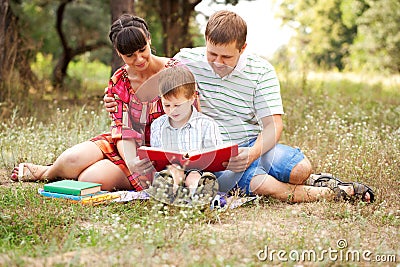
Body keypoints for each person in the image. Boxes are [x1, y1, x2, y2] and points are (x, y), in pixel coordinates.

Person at [104, 10, 374, 203]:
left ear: (243, 48)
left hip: (249, 144)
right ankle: (330, 193)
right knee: (264, 185)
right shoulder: (188, 59)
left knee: (300, 169)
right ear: (205, 42)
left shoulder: (261, 71)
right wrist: (114, 96)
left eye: (226, 56)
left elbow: (273, 125)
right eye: (211, 53)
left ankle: (312, 179)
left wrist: (253, 152)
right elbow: (145, 85)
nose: (217, 62)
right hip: (211, 151)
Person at [10, 14, 180, 192]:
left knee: (89, 179)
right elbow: (122, 130)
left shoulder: (175, 73)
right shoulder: (120, 80)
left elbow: (191, 117)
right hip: (125, 145)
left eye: (142, 50)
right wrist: (132, 162)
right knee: (72, 159)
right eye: (129, 55)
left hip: (159, 154)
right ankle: (46, 172)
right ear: (118, 52)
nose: (139, 59)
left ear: (149, 39)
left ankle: (94, 167)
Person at [149, 66, 222, 198]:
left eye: (177, 105)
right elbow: (157, 157)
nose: (172, 110)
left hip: (198, 171)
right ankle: (168, 194)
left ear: (192, 98)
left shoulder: (207, 124)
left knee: (194, 177)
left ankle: (200, 195)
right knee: (173, 173)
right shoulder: (158, 125)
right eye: (166, 105)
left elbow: (215, 156)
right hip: (170, 171)